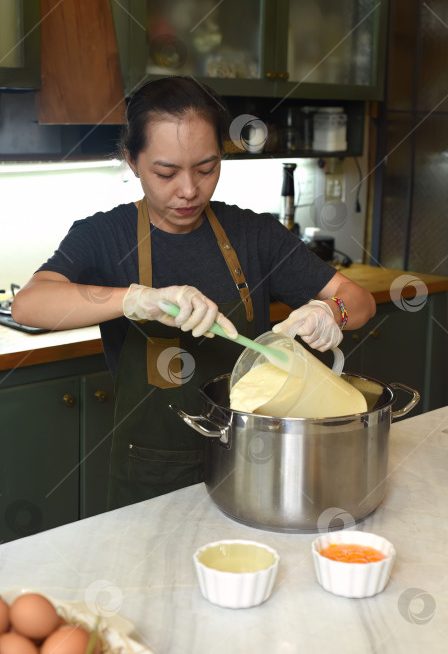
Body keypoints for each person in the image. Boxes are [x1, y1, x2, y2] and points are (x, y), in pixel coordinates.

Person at [12, 77, 376, 509]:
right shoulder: (104, 236)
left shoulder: (253, 233)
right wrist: (135, 299)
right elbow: (29, 305)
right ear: (132, 160)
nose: (189, 190)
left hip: (252, 457)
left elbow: (359, 300)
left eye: (207, 169)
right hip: (149, 470)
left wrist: (327, 310)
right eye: (166, 172)